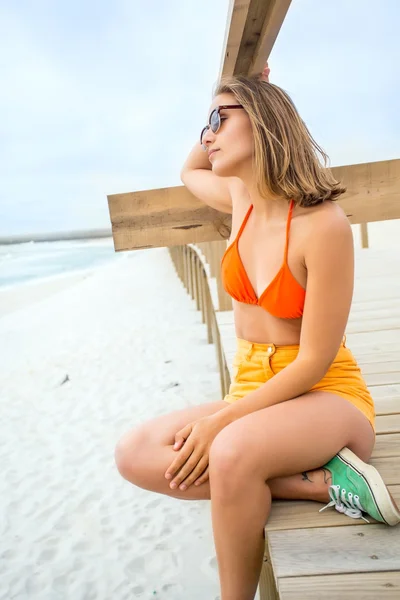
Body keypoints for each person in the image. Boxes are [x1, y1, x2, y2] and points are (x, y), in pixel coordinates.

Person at [115, 63, 400, 600]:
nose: (208, 136)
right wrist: (229, 90)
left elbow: (315, 361)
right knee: (135, 451)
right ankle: (322, 481)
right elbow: (187, 169)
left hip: (324, 394)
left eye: (219, 121)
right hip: (253, 389)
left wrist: (222, 420)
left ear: (264, 121)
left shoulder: (325, 226)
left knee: (228, 452)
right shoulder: (240, 200)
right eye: (207, 124)